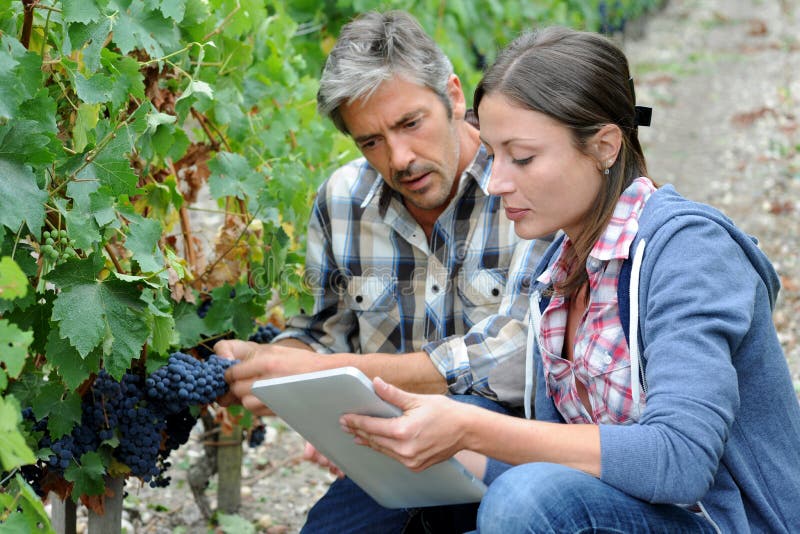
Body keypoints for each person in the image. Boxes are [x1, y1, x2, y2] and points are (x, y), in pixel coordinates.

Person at [340, 26, 800, 533]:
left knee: (528, 498)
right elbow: (570, 463)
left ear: (604, 146)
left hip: (724, 523)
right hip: (622, 514)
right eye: (493, 155)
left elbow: (681, 460)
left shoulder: (687, 252)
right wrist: (418, 442)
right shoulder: (557, 270)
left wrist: (472, 426)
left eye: (524, 157)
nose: (496, 184)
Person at [216, 10, 550, 533]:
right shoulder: (341, 201)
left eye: (410, 124)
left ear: (455, 97)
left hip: (514, 449)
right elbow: (317, 336)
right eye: (370, 141)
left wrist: (327, 375)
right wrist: (267, 368)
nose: (399, 158)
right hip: (392, 453)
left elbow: (512, 355)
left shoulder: (526, 188)